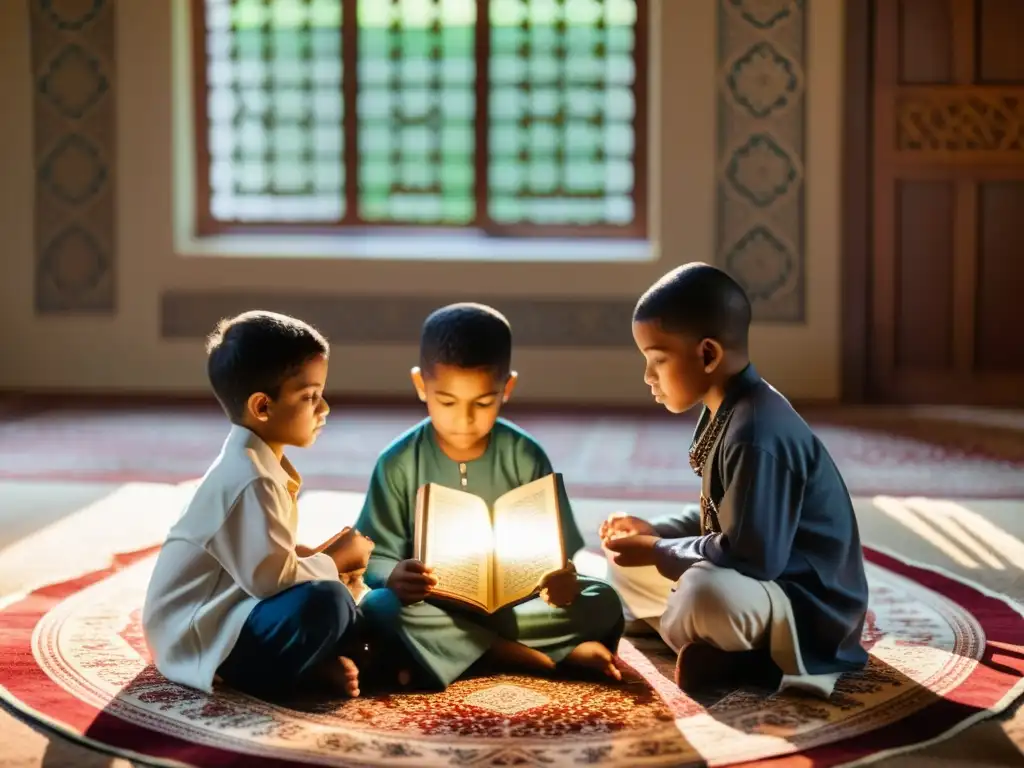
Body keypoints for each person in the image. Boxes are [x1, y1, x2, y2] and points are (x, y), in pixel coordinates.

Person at [597, 263, 869, 697]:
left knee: (705, 593)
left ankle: (756, 660)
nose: (648, 377)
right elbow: (722, 516)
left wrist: (659, 550)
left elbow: (752, 555)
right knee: (621, 566)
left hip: (805, 603)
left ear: (707, 355)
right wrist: (656, 532)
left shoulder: (757, 429)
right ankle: (714, 645)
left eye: (657, 360)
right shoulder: (726, 406)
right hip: (756, 576)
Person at [354, 302, 625, 690]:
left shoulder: (525, 455)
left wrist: (561, 583)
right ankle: (520, 655)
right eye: (446, 401)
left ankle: (449, 654)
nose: (464, 420)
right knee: (379, 607)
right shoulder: (397, 462)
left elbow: (560, 557)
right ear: (420, 386)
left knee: (603, 600)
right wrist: (393, 575)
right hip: (434, 604)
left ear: (507, 389)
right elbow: (374, 555)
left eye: (482, 403)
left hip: (516, 607)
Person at [142, 310, 375, 700]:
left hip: (229, 607)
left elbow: (262, 561)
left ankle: (320, 659)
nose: (325, 408)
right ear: (263, 407)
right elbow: (271, 582)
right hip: (197, 632)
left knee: (351, 598)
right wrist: (333, 559)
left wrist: (322, 559)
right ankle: (282, 674)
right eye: (310, 397)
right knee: (327, 601)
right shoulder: (250, 477)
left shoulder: (257, 462)